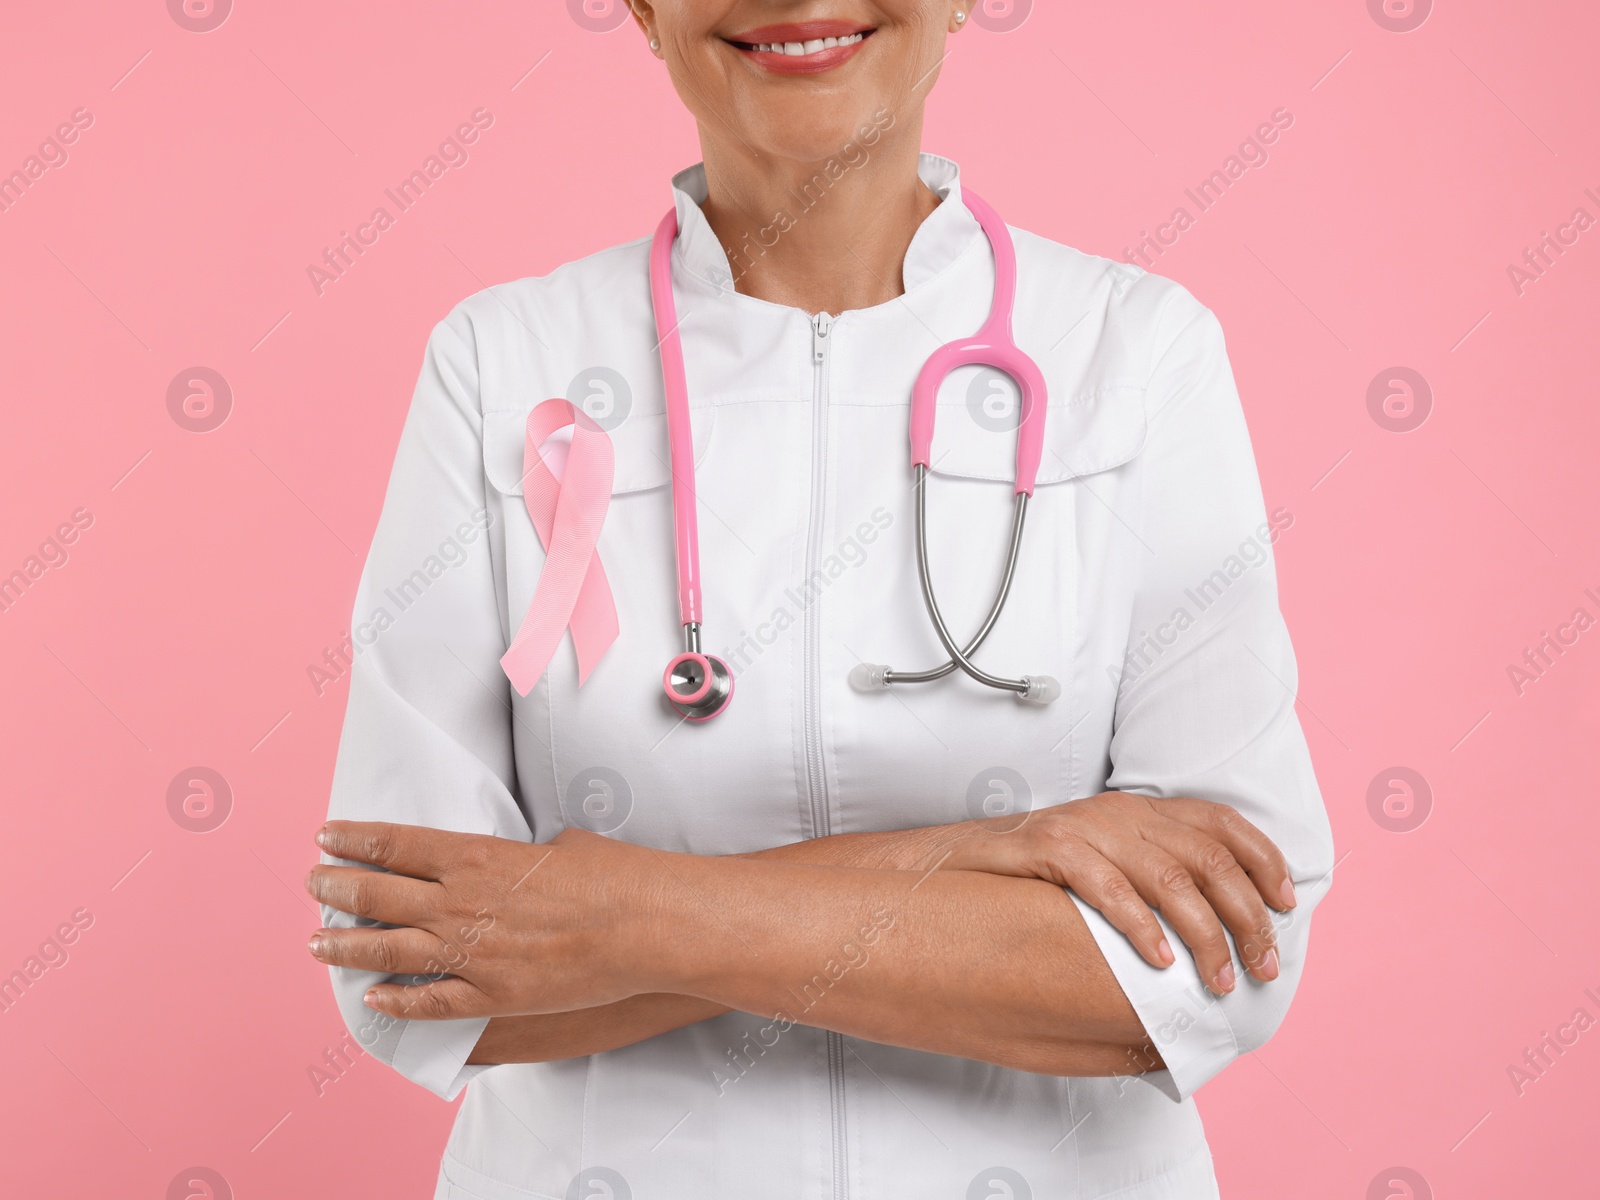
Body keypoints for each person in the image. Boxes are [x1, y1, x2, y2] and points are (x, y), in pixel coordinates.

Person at [305, 4, 1335, 1196]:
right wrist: (990, 856)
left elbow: (1217, 966)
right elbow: (413, 980)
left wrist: (613, 913)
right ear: (643, 7)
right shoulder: (502, 364)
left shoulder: (1137, 353)